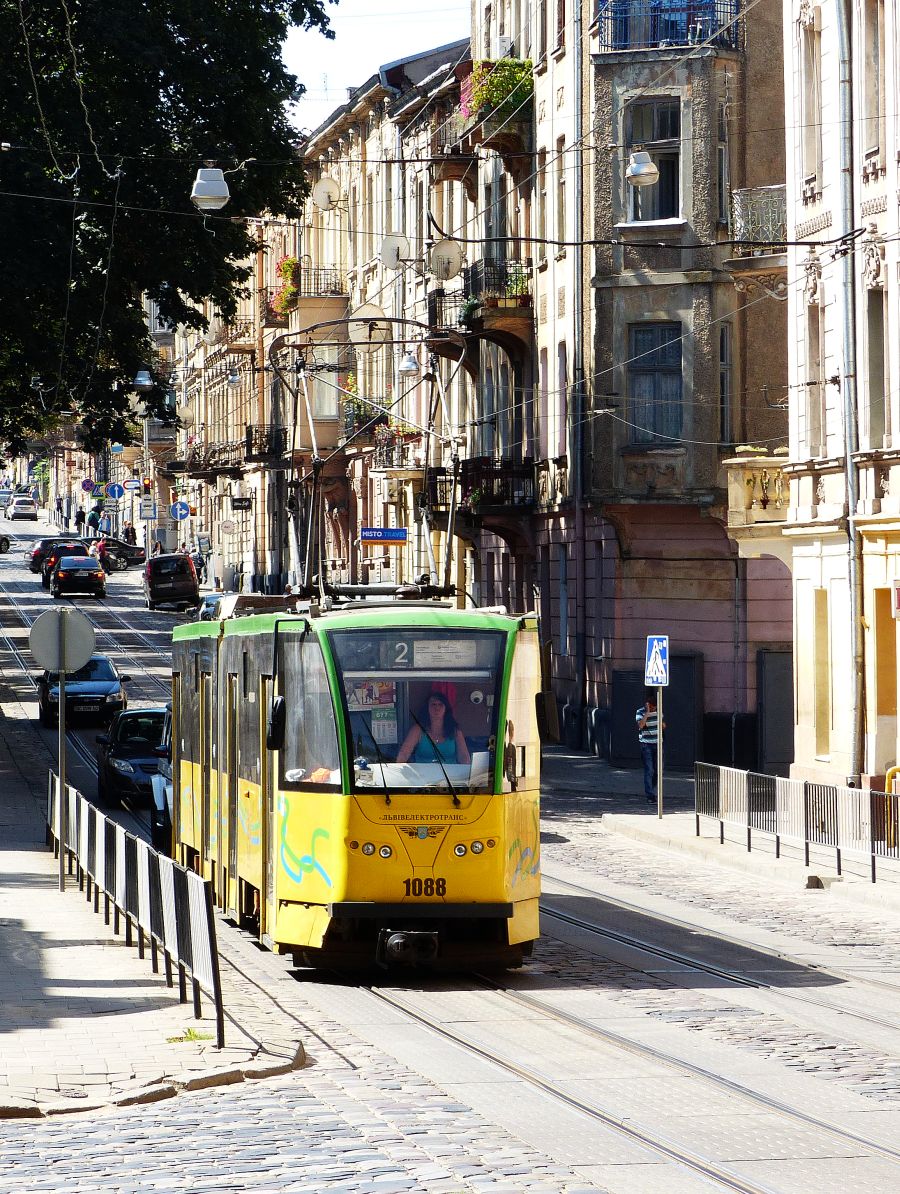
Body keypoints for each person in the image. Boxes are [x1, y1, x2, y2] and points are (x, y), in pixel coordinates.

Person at [396, 691, 471, 765]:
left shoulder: (455, 731)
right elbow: (404, 753)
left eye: (440, 704)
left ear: (446, 709)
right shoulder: (418, 730)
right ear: (427, 708)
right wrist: (398, 770)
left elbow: (464, 757)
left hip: (451, 775)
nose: (437, 708)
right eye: (433, 704)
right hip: (423, 775)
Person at [636, 690, 665, 804]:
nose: (654, 709)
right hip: (646, 744)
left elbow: (663, 726)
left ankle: (652, 789)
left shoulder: (659, 711)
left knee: (658, 770)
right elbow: (641, 725)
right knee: (649, 770)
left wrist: (661, 721)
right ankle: (650, 795)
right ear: (647, 705)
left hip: (658, 743)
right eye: (652, 707)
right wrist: (647, 713)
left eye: (655, 707)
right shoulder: (640, 712)